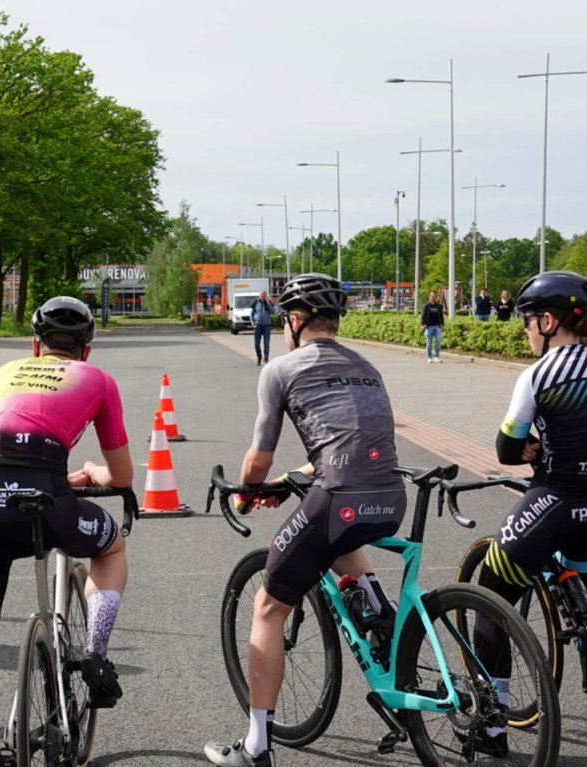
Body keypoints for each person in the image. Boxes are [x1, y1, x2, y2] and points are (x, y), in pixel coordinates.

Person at [0, 296, 133, 767]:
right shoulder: (98, 379)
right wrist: (91, 472)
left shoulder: (2, 373)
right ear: (86, 351)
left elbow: (5, 452)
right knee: (112, 547)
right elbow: (122, 477)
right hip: (50, 498)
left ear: (35, 346)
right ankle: (95, 653)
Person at [204, 273, 406, 767]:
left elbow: (256, 461)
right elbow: (352, 449)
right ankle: (376, 604)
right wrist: (295, 477)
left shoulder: (280, 369)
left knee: (269, 607)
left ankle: (255, 748)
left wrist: (249, 491)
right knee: (336, 529)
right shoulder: (369, 367)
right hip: (390, 496)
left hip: (338, 498)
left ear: (294, 321)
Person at [470, 271, 587, 757]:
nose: (525, 330)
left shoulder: (537, 375)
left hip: (555, 503)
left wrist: (532, 451)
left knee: (489, 599)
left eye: (528, 321)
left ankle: (492, 726)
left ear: (549, 320)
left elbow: (505, 448)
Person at [420, 290, 446, 363]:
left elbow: (441, 316)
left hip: (437, 326)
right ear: (429, 297)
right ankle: (429, 357)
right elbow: (423, 316)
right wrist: (423, 324)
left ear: (436, 297)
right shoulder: (426, 306)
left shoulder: (439, 306)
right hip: (428, 327)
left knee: (438, 341)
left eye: (434, 296)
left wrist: (442, 325)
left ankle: (436, 356)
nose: (433, 298)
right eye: (432, 296)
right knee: (429, 343)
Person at [250, 291, 275, 365]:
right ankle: (259, 356)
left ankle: (266, 358)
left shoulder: (268, 303)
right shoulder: (255, 303)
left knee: (266, 343)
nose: (263, 297)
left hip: (267, 326)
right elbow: (251, 314)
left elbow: (273, 312)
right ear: (259, 296)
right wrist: (252, 322)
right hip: (257, 326)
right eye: (261, 296)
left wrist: (268, 303)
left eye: (264, 296)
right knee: (256, 344)